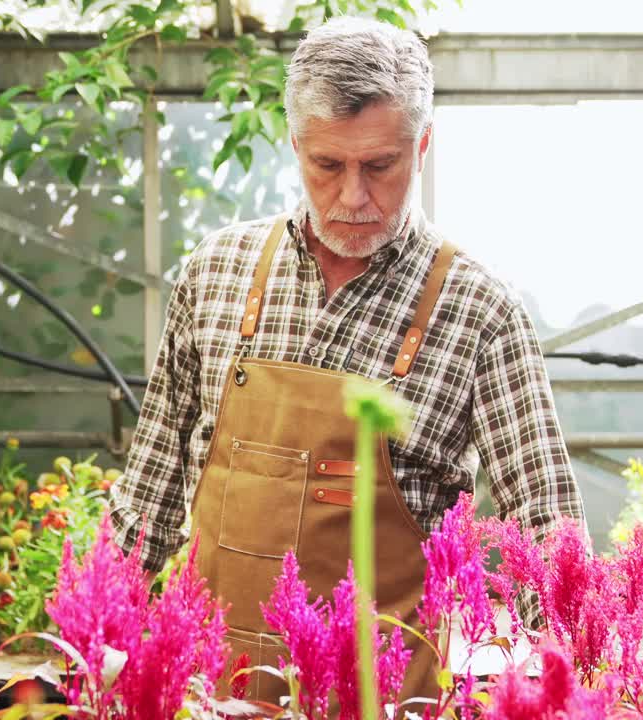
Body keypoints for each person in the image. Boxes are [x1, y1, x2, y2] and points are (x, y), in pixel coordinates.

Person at [110, 15, 585, 703]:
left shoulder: (479, 312)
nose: (354, 198)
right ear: (295, 143)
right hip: (211, 698)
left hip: (384, 700)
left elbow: (548, 533)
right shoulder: (215, 275)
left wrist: (563, 685)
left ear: (420, 145)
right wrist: (99, 650)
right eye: (327, 166)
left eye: (380, 166)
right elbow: (148, 499)